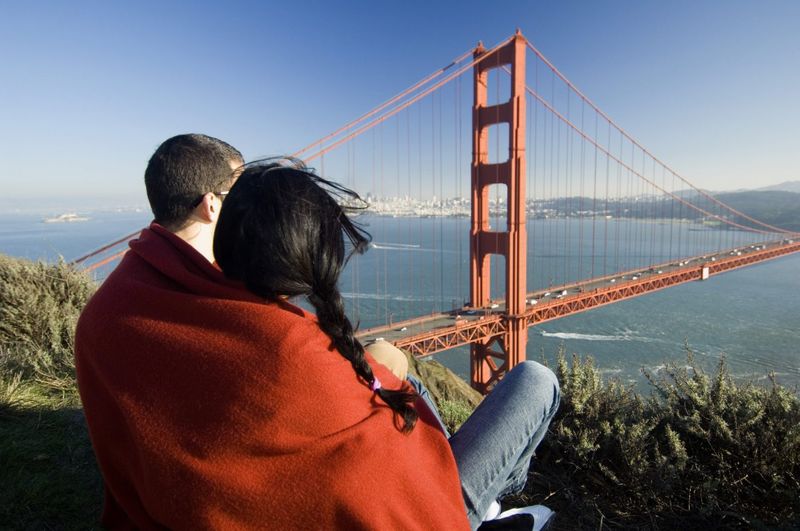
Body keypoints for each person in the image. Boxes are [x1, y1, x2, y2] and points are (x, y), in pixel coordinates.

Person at [74, 136, 407, 529]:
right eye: (241, 189)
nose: (253, 201)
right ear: (211, 205)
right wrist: (385, 365)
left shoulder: (106, 308)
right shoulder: (258, 332)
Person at [213, 161, 561, 530]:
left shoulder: (217, 334)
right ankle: (484, 507)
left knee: (410, 384)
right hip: (427, 514)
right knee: (535, 381)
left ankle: (483, 504)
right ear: (315, 258)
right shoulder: (305, 362)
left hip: (355, 496)